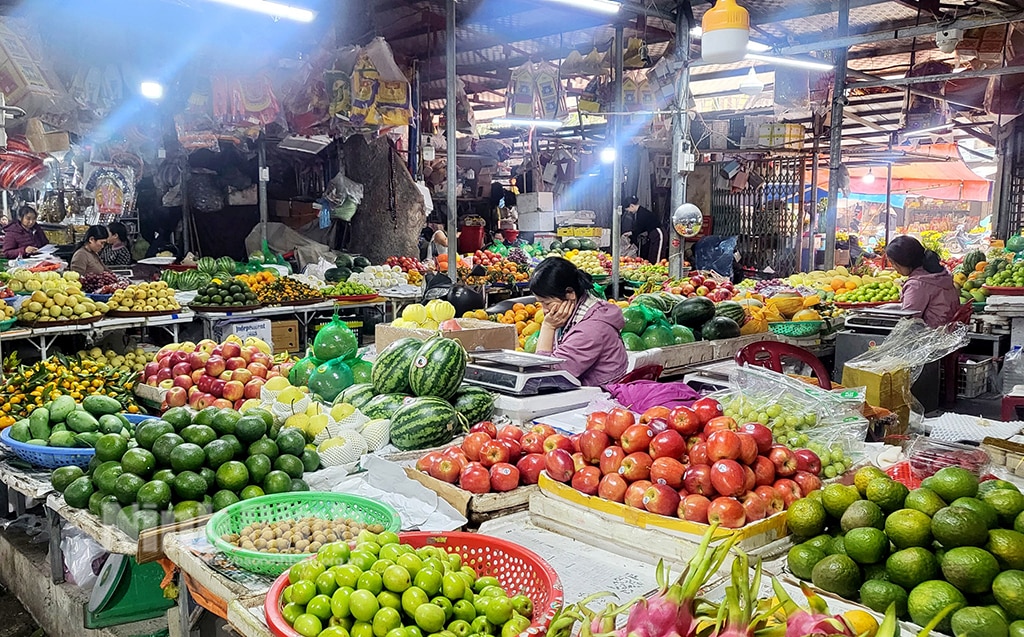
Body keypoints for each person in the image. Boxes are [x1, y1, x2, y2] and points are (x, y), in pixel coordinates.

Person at [531, 257, 628, 386]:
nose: (545, 311)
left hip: (600, 396)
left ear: (570, 294)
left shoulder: (591, 329)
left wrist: (547, 327)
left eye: (547, 303)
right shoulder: (579, 314)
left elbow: (547, 377)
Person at [885, 235, 960, 328]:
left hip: (930, 336)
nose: (893, 267)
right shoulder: (939, 274)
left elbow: (908, 319)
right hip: (947, 332)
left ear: (905, 261)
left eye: (893, 263)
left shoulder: (917, 284)